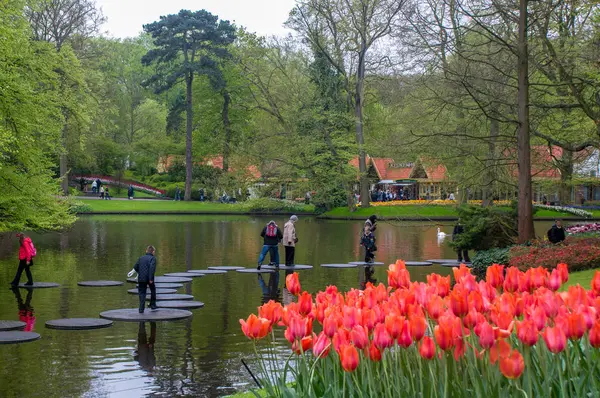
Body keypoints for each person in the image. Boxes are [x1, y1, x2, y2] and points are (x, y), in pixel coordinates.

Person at [134, 245, 157, 313]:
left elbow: (135, 267)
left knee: (142, 293)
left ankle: (141, 309)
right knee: (153, 289)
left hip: (141, 278)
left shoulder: (141, 258)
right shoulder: (153, 258)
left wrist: (140, 272)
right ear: (153, 252)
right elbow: (151, 269)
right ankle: (152, 305)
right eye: (154, 252)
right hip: (148, 278)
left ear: (146, 251)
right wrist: (150, 279)